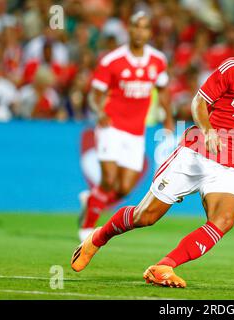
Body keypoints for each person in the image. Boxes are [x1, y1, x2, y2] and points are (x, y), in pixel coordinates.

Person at [71, 20, 234, 288]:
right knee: (145, 217)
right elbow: (200, 101)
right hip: (195, 154)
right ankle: (98, 237)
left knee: (224, 220)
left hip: (230, 166)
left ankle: (163, 266)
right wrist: (207, 130)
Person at [77, 11, 174, 241]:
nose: (139, 32)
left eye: (144, 27)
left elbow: (163, 90)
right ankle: (87, 228)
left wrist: (168, 118)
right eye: (135, 26)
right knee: (108, 179)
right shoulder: (112, 60)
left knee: (124, 189)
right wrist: (99, 111)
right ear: (128, 29)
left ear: (150, 32)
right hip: (111, 125)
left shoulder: (158, 60)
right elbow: (94, 95)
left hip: (135, 131)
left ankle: (91, 201)